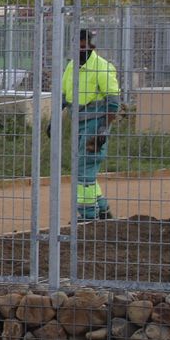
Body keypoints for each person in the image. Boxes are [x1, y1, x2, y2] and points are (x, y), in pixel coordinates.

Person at [61, 28, 121, 222]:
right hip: (78, 122)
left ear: (91, 46)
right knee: (86, 168)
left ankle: (87, 216)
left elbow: (113, 103)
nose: (80, 50)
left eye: (83, 46)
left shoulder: (102, 67)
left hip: (95, 124)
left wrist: (104, 129)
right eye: (77, 46)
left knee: (83, 169)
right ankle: (102, 210)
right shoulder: (71, 67)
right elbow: (64, 95)